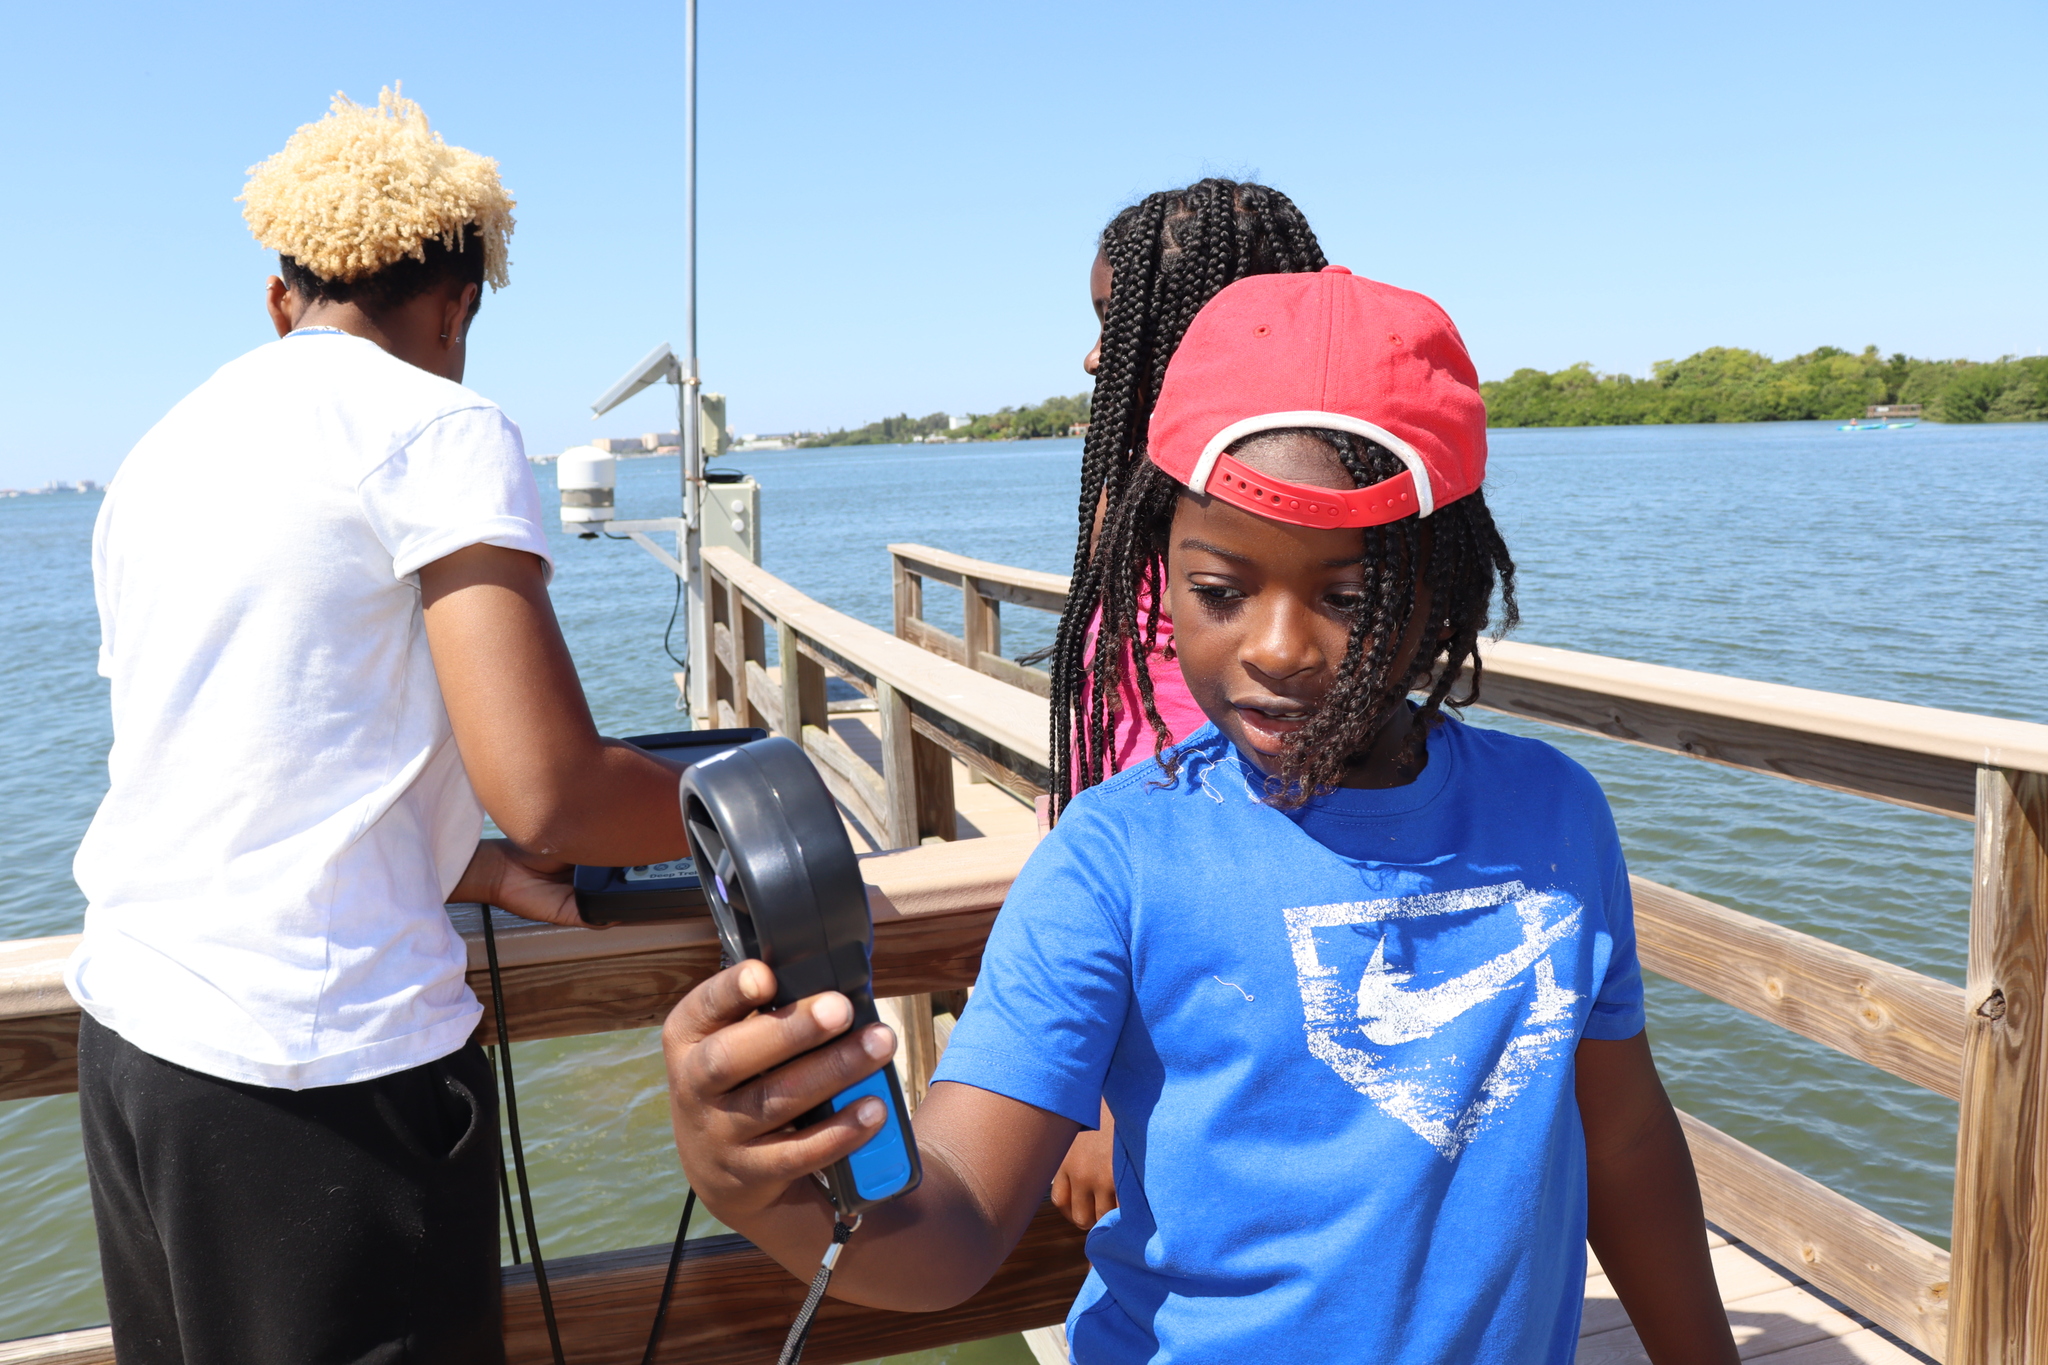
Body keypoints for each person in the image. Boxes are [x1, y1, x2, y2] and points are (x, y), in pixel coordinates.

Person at [662, 268, 1740, 1363]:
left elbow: (1622, 1135)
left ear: (1448, 592)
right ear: (1159, 579)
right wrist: (756, 1181)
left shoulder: (1556, 815)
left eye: (1348, 597)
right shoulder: (1113, 859)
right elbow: (949, 1231)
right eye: (1219, 590)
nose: (1273, 647)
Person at [68, 88, 687, 1365]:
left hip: (136, 1048)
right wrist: (741, 806)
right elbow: (556, 791)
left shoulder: (159, 455)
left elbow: (249, 756)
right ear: (459, 304)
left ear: (280, 294)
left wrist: (468, 863)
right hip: (320, 1082)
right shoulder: (436, 424)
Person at [1049, 177, 1328, 1230]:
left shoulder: (1232, 530)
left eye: (1117, 325)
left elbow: (1201, 814)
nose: (1092, 357)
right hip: (1139, 964)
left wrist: (1097, 1096)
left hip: (1200, 1010)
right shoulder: (1139, 493)